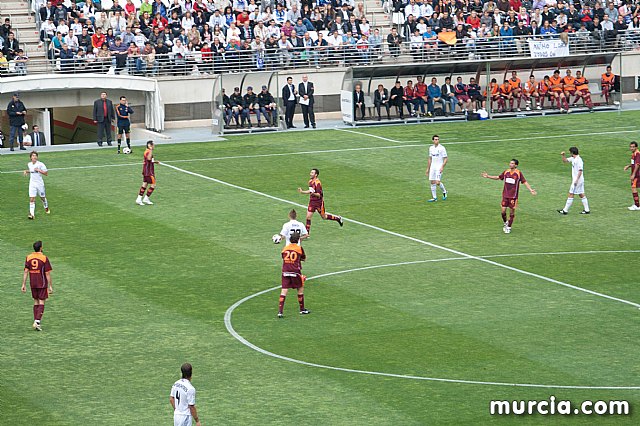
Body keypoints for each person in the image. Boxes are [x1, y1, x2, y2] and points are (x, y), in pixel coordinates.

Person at [481, 159, 537, 234]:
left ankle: (509, 227)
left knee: (511, 212)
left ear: (516, 165)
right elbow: (498, 177)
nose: (510, 164)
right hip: (505, 195)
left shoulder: (518, 173)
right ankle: (506, 223)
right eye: (510, 163)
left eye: (512, 163)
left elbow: (524, 182)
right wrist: (488, 176)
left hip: (513, 197)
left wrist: (530, 190)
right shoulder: (506, 172)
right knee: (503, 211)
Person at [297, 168, 343, 234]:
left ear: (316, 175)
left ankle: (338, 218)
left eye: (312, 173)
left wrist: (313, 194)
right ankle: (307, 234)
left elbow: (318, 195)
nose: (310, 174)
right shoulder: (310, 182)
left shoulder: (318, 183)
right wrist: (302, 192)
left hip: (319, 202)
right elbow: (310, 191)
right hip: (312, 202)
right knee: (308, 217)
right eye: (311, 172)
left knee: (324, 217)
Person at [21, 241, 53, 332]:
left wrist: (23, 284)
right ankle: (37, 321)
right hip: (41, 283)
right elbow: (47, 273)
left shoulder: (28, 257)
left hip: (33, 283)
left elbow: (26, 271)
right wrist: (50, 286)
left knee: (36, 301)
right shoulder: (44, 258)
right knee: (42, 301)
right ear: (41, 248)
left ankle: (36, 322)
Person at [277, 233, 309, 318]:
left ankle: (280, 312)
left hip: (285, 271)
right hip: (295, 271)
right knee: (300, 288)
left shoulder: (285, 248)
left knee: (284, 291)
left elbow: (283, 257)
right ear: (298, 239)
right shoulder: (299, 248)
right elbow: (304, 258)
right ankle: (302, 309)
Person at [557, 147, 590, 215]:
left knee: (571, 194)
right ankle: (587, 210)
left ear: (572, 153)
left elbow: (580, 171)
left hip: (577, 181)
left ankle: (565, 210)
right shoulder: (573, 158)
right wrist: (563, 156)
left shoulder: (579, 160)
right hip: (579, 180)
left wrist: (576, 180)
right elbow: (565, 161)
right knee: (581, 194)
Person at [23, 151, 50, 220]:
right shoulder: (29, 164)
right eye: (33, 156)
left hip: (40, 184)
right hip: (32, 184)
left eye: (35, 156)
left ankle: (46, 208)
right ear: (30, 158)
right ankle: (32, 214)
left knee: (42, 198)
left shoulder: (41, 164)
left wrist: (39, 170)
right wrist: (26, 171)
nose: (34, 157)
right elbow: (32, 171)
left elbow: (46, 173)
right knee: (32, 198)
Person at [136, 140, 159, 205]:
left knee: (144, 184)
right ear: (150, 145)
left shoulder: (147, 151)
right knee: (153, 185)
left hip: (146, 171)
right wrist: (151, 150)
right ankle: (146, 198)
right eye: (153, 145)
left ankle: (139, 199)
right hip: (149, 172)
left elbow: (149, 160)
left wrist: (155, 162)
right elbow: (149, 158)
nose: (154, 146)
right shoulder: (148, 151)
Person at [426, 135, 448, 202]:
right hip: (433, 167)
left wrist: (442, 167)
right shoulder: (431, 148)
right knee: (432, 182)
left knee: (437, 182)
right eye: (435, 139)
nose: (437, 140)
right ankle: (434, 198)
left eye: (438, 139)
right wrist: (428, 169)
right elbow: (430, 158)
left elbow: (446, 158)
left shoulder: (442, 148)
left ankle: (444, 191)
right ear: (433, 140)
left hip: (439, 167)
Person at [624, 141, 640, 211]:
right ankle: (636, 204)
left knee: (633, 188)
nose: (631, 148)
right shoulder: (634, 154)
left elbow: (637, 164)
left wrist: (633, 174)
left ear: (636, 147)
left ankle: (637, 205)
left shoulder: (637, 154)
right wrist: (629, 166)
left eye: (633, 147)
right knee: (634, 187)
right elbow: (634, 163)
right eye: (630, 147)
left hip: (637, 174)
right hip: (635, 174)